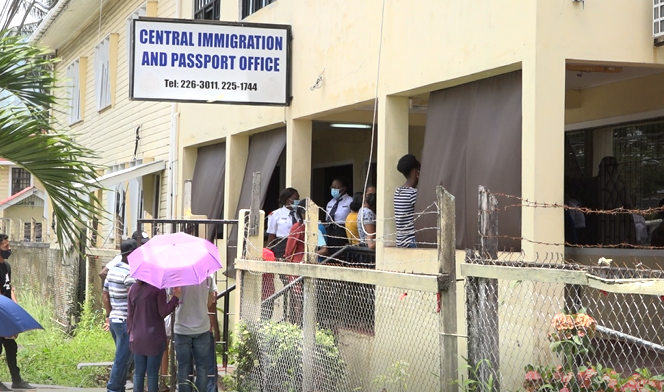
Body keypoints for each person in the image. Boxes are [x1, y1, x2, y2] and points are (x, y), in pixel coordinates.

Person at [127, 280, 181, 392]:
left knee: (138, 372)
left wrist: (130, 332)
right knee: (152, 373)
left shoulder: (133, 289)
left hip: (137, 336)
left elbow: (129, 314)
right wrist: (175, 298)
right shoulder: (158, 289)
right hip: (154, 338)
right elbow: (163, 312)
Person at [0, 234, 35, 391]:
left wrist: (15, 305)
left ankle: (16, 380)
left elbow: (9, 287)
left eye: (9, 246)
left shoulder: (6, 266)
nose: (9, 249)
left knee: (11, 347)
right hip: (1, 312)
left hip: (6, 312)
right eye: (6, 247)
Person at [104, 239, 138, 392]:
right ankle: (113, 388)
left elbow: (105, 294)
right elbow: (133, 299)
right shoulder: (129, 273)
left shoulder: (112, 270)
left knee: (124, 357)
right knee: (123, 359)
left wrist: (109, 314)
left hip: (115, 319)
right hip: (125, 321)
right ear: (130, 254)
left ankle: (119, 387)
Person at [172, 276, 216, 392]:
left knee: (183, 367)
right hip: (202, 327)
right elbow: (210, 301)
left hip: (182, 328)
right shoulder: (208, 275)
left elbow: (171, 299)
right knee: (202, 367)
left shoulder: (175, 275)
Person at [394, 154, 420, 248]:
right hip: (411, 242)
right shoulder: (413, 193)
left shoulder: (398, 192)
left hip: (400, 241)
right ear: (415, 172)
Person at [266, 188, 300, 259]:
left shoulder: (299, 214)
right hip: (281, 245)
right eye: (294, 198)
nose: (297, 201)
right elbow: (272, 235)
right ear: (287, 199)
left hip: (297, 245)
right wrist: (268, 251)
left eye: (298, 198)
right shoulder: (276, 214)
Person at [325, 178, 352, 251]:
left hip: (342, 231)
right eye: (332, 187)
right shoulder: (330, 203)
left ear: (344, 188)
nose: (333, 190)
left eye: (336, 188)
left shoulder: (350, 201)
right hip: (330, 231)